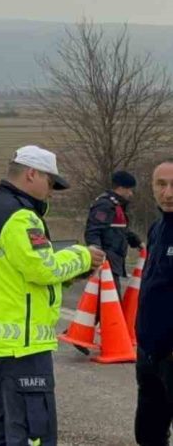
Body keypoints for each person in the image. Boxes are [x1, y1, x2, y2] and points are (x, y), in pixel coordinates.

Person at [0, 145, 103, 446]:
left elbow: (20, 277)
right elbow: (42, 268)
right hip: (23, 347)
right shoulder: (19, 216)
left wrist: (69, 275)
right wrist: (82, 257)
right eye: (50, 183)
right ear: (32, 174)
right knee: (33, 432)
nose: (51, 192)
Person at [134, 157, 173, 444]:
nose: (168, 193)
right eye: (161, 184)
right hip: (149, 353)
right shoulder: (157, 229)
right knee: (148, 433)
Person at [85, 170, 143, 296]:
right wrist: (96, 252)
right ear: (121, 188)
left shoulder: (117, 206)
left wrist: (137, 243)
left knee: (111, 299)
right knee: (110, 300)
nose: (130, 194)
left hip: (115, 261)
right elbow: (93, 230)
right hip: (107, 261)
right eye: (129, 190)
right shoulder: (104, 205)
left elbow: (122, 230)